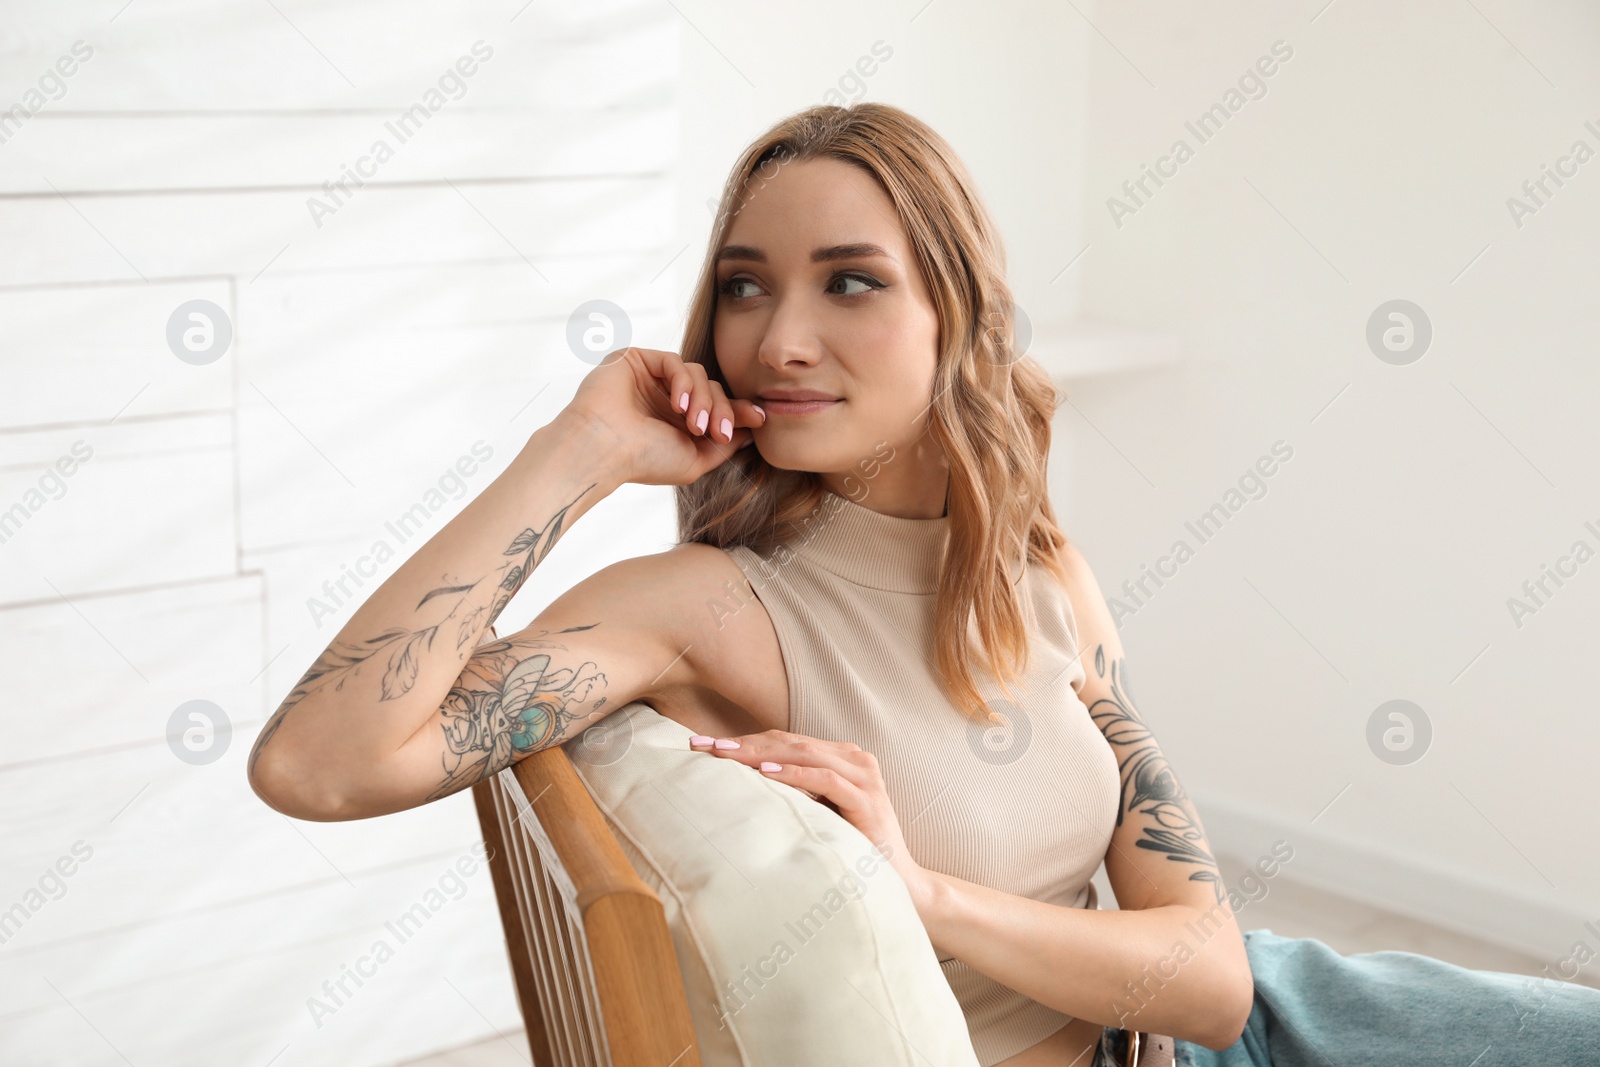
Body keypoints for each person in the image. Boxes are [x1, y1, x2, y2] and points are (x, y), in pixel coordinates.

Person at [247, 103, 1600, 1067]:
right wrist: (576, 451)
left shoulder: (1044, 573)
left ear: (955, 320)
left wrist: (934, 893)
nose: (781, 339)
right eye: (744, 286)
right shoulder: (706, 605)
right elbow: (318, 766)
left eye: (850, 284)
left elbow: (1213, 972)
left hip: (1265, 1020)